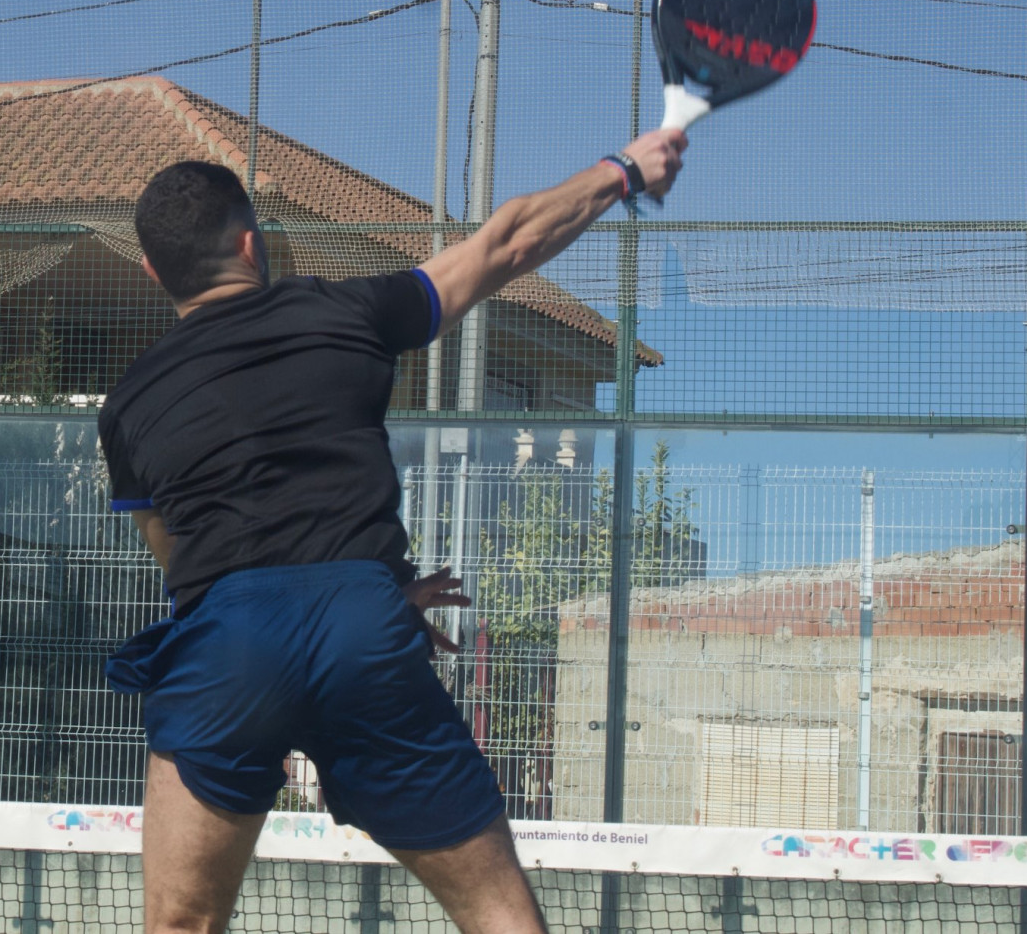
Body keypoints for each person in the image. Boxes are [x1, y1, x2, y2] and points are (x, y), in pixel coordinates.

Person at [101, 132, 686, 934]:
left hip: (228, 648)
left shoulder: (128, 405)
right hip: (363, 628)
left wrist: (284, 613)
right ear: (250, 244)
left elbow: (185, 562)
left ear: (152, 271)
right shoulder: (345, 310)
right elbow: (507, 243)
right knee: (496, 911)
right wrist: (622, 171)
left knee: (179, 924)